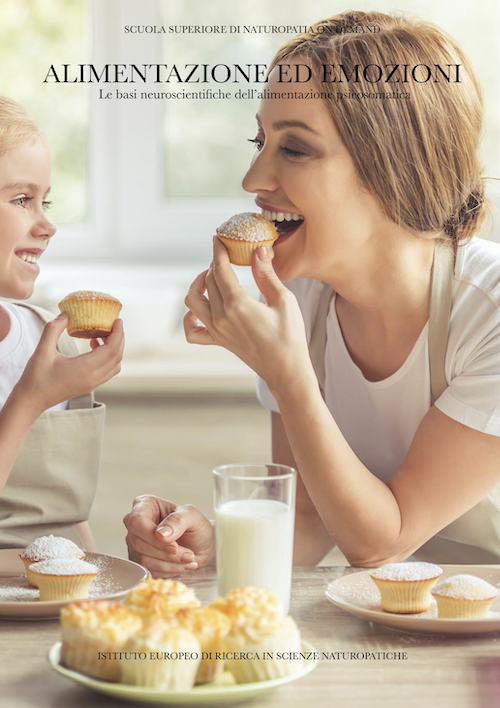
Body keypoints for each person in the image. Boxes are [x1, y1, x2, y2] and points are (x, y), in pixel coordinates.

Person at [124, 11, 500, 574]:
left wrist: (288, 373)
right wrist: (207, 549)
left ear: (393, 167)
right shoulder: (300, 298)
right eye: (260, 140)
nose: (252, 180)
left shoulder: (488, 312)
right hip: (392, 612)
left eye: (294, 149)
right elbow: (309, 519)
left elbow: (380, 543)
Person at [0, 96, 124, 550]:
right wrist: (32, 399)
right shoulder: (45, 376)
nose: (47, 224)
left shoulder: (52, 346)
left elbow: (65, 513)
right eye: (21, 200)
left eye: (44, 201)